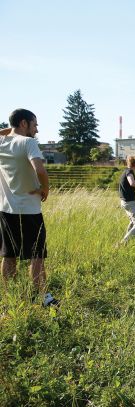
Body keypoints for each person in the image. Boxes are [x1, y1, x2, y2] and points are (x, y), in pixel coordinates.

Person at [0, 109, 58, 306]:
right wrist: (45, 189)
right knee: (37, 255)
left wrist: (12, 128)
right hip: (29, 211)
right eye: (35, 124)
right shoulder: (28, 142)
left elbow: (6, 132)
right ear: (24, 123)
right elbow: (40, 169)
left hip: (6, 210)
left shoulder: (2, 142)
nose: (37, 128)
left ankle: (10, 296)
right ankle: (42, 297)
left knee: (8, 256)